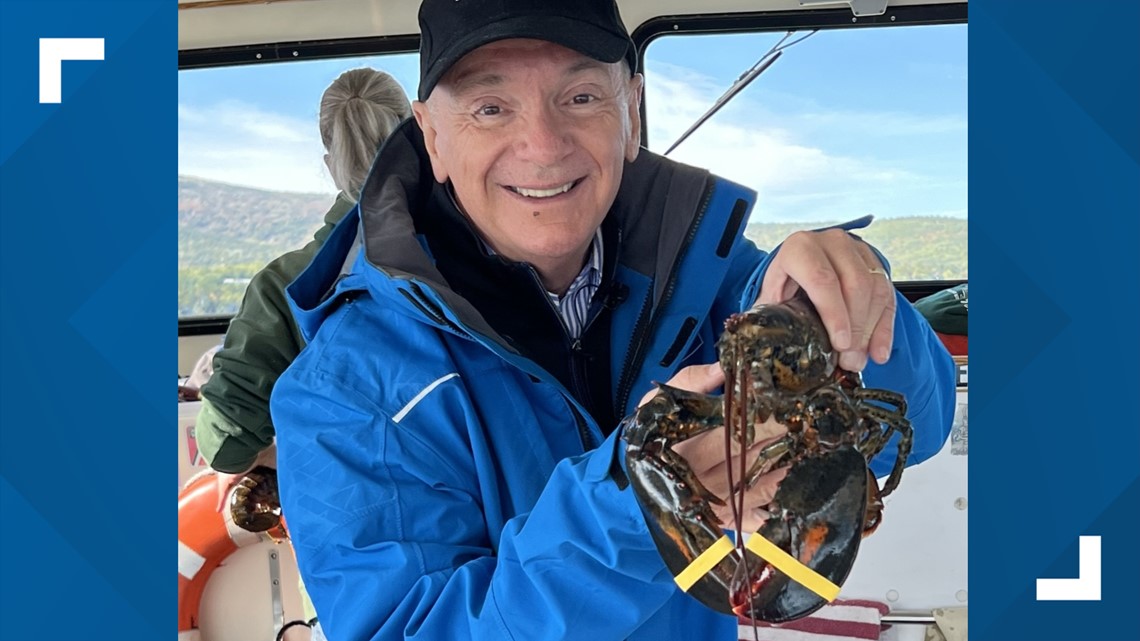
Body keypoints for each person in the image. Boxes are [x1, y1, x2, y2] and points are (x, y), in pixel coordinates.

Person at [269, 2, 957, 640]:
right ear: (433, 137)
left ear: (630, 108)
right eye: (489, 107)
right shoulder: (343, 395)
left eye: (581, 97)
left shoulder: (726, 288)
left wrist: (856, 307)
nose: (542, 145)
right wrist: (636, 504)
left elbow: (912, 433)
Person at [191, 67, 412, 627]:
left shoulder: (288, 284)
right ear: (422, 135)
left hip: (348, 551)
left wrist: (275, 444)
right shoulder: (494, 254)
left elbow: (225, 445)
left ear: (329, 163)